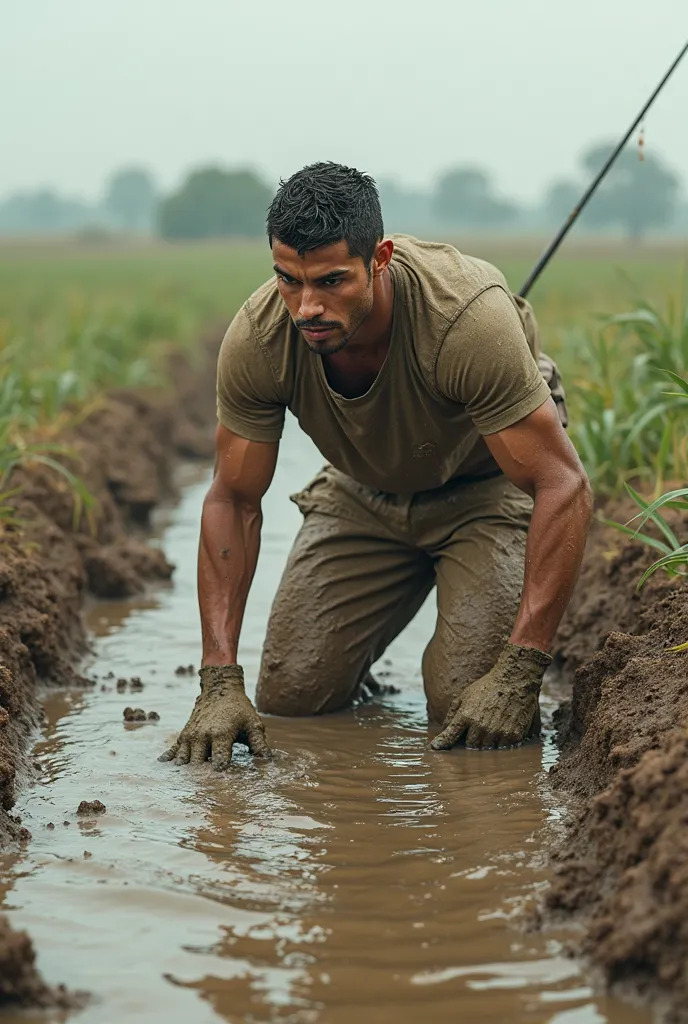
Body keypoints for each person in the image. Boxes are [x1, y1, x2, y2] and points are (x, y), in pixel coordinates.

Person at [160, 162, 591, 771]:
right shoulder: (261, 338)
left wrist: (522, 668)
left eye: (332, 281)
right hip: (362, 491)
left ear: (380, 259)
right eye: (289, 280)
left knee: (466, 707)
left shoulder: (466, 320)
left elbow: (562, 483)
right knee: (293, 695)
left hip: (485, 488)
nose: (307, 306)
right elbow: (232, 499)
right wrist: (218, 680)